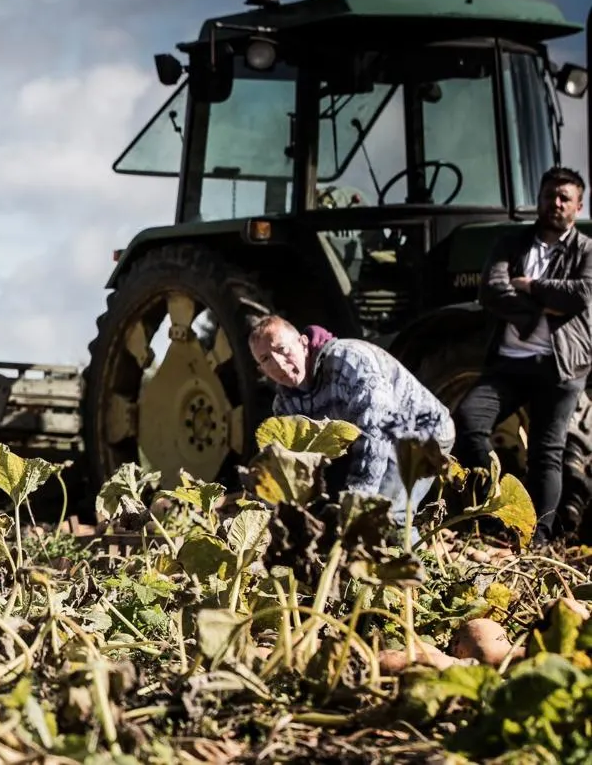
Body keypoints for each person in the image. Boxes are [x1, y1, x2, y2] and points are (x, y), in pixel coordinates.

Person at [454, 166, 592, 545]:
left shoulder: (587, 250)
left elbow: (580, 295)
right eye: (550, 196)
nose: (556, 203)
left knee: (547, 453)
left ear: (578, 206)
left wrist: (530, 286)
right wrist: (543, 309)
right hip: (509, 363)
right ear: (539, 200)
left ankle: (538, 540)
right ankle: (495, 514)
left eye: (565, 198)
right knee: (469, 420)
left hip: (560, 365)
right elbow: (492, 291)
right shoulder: (510, 243)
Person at [248, 316, 455, 525]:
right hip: (359, 444)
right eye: (265, 359)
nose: (278, 363)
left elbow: (376, 433)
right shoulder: (284, 405)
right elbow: (285, 465)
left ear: (302, 343)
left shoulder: (348, 361)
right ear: (261, 370)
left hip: (419, 432)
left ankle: (411, 554)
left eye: (282, 349)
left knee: (387, 516)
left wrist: (358, 500)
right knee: (328, 514)